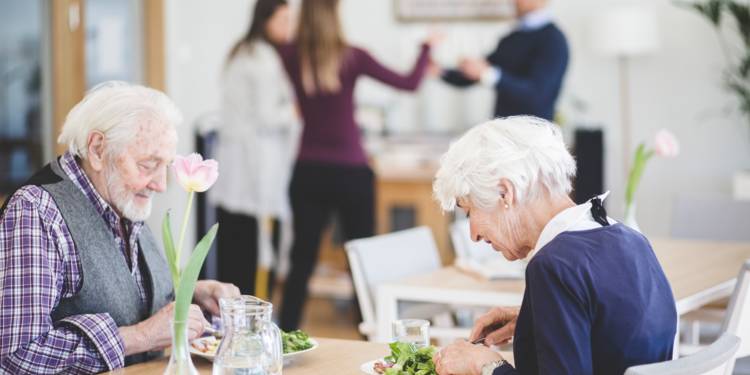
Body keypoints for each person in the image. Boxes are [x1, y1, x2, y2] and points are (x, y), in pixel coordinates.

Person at [0, 82, 240, 374]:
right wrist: (142, 336)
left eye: (164, 166)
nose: (161, 185)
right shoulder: (35, 211)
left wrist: (189, 294)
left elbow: (120, 295)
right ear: (98, 149)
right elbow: (16, 351)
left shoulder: (117, 195)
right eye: (147, 164)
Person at [431, 116, 677, 375]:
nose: (473, 235)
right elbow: (614, 327)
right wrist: (538, 320)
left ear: (505, 193)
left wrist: (484, 364)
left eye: (470, 212)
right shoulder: (630, 239)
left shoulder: (553, 266)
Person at [276, 0, 437, 330]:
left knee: (301, 261)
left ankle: (283, 337)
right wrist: (426, 48)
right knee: (363, 261)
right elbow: (409, 83)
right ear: (335, 14)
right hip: (351, 171)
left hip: (308, 171)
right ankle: (372, 334)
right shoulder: (352, 55)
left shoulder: (289, 55)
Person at [211, 0, 299, 299]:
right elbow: (267, 115)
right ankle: (250, 322)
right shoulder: (261, 60)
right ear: (266, 20)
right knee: (251, 256)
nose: (289, 27)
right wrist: (295, 112)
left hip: (239, 171)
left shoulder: (243, 52)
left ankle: (234, 322)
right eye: (283, 19)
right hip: (254, 170)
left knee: (236, 251)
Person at [439, 0, 568, 121]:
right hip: (502, 132)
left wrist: (488, 74)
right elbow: (473, 74)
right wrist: (439, 70)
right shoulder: (511, 38)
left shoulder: (553, 40)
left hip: (533, 136)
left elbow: (537, 95)